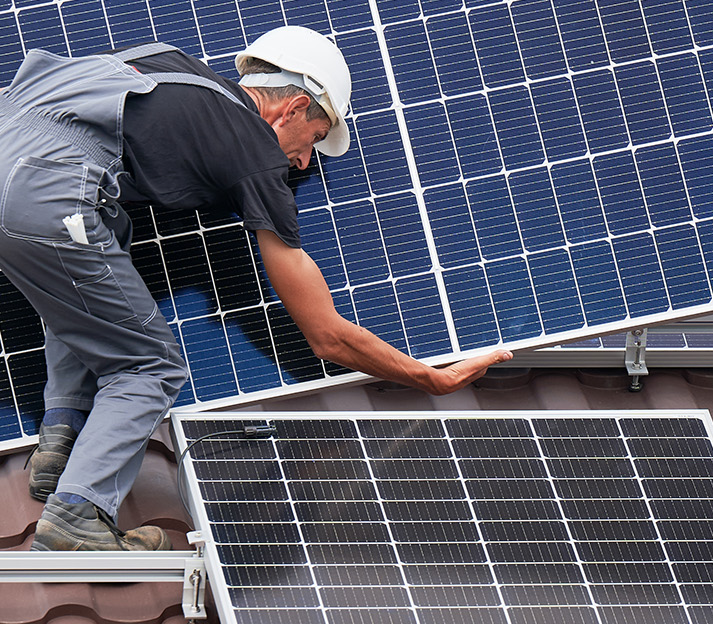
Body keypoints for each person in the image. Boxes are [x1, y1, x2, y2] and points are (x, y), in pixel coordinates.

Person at [4, 26, 512, 552]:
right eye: (315, 138)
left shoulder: (161, 59)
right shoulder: (253, 148)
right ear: (293, 108)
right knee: (150, 365)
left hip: (19, 166)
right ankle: (78, 515)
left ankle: (62, 436)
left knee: (104, 249)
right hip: (50, 196)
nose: (306, 162)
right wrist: (428, 378)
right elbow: (326, 336)